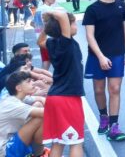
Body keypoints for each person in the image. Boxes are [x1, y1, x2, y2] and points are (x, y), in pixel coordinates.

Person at [82, 0, 125, 141]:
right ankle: (103, 116)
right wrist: (101, 57)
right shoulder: (92, 9)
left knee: (115, 89)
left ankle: (114, 126)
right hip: (97, 55)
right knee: (98, 90)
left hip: (117, 53)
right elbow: (89, 36)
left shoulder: (120, 5)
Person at [39, 10, 85, 156]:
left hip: (54, 97)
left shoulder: (52, 43)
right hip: (68, 98)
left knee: (58, 142)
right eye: (73, 23)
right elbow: (62, 16)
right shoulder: (65, 43)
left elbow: (40, 41)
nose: (76, 25)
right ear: (64, 27)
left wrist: (47, 25)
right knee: (76, 141)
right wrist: (48, 13)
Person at [0, 71, 46, 157]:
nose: (33, 83)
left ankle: (36, 151)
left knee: (38, 105)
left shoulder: (14, 98)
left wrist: (43, 100)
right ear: (19, 88)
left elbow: (39, 99)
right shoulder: (13, 105)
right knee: (39, 118)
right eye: (28, 81)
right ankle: (39, 154)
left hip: (2, 145)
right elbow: (46, 113)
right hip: (1, 153)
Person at [37, 0, 60, 71]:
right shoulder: (47, 9)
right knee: (53, 62)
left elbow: (32, 23)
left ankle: (42, 77)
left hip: (41, 38)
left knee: (46, 61)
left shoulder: (39, 8)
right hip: (49, 39)